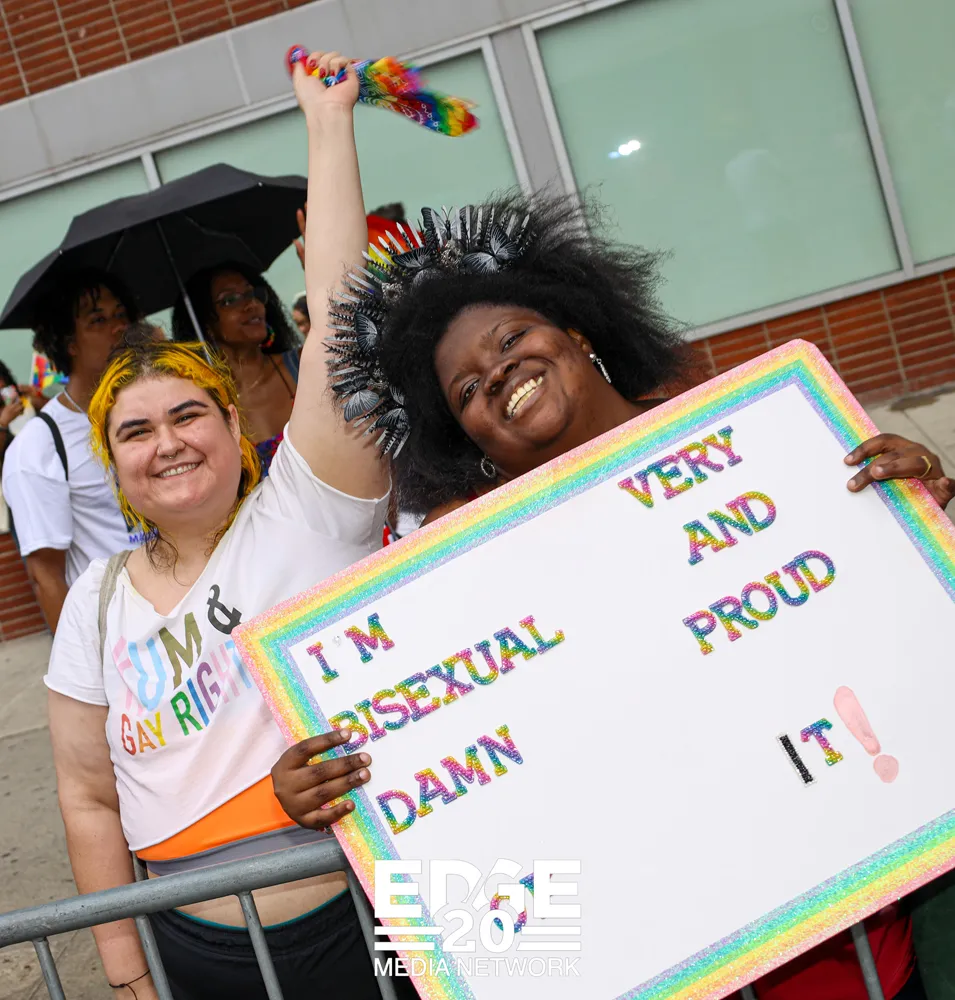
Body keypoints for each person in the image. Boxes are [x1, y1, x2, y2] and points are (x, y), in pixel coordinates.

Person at [273, 179, 954, 997]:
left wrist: (910, 516)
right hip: (655, 956)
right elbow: (438, 756)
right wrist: (324, 789)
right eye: (466, 390)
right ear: (467, 438)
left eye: (511, 338)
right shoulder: (453, 564)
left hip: (853, 938)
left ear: (578, 331)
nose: (497, 373)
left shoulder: (752, 434)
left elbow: (877, 624)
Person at [44, 49, 410, 1000]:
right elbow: (88, 799)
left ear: (233, 427)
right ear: (113, 465)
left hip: (365, 921)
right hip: (197, 956)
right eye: (135, 432)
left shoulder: (307, 508)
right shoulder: (95, 601)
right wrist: (126, 972)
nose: (166, 443)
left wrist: (328, 124)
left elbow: (342, 323)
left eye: (187, 415)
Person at [2, 270, 147, 631]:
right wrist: (84, 663)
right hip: (124, 630)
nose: (118, 327)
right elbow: (46, 576)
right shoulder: (39, 446)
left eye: (121, 314)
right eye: (98, 320)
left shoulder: (156, 406)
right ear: (69, 343)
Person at [171, 264, 300, 475]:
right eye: (230, 300)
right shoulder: (207, 403)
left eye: (252, 294)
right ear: (207, 326)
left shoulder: (301, 365)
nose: (251, 304)